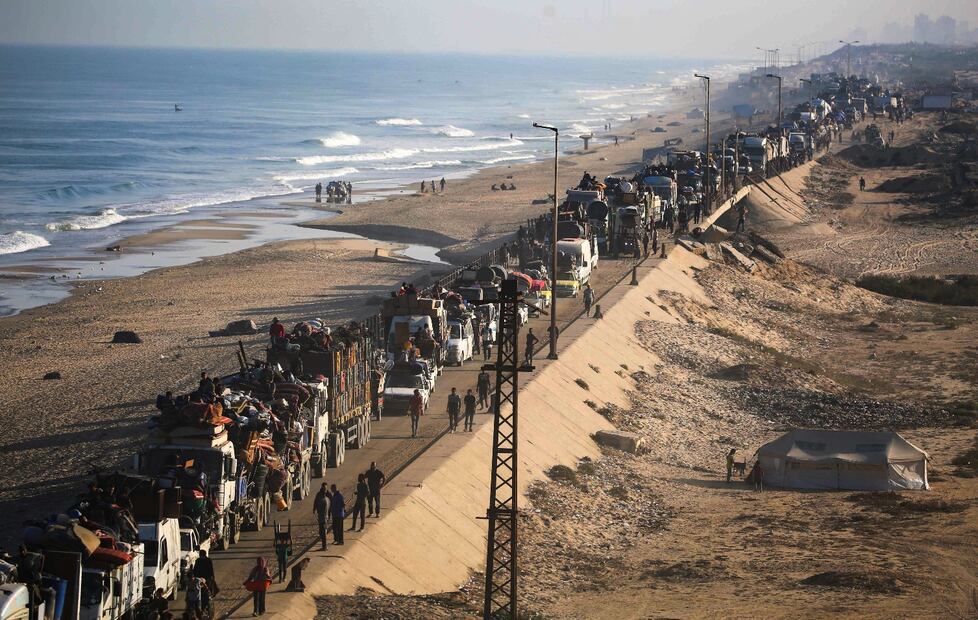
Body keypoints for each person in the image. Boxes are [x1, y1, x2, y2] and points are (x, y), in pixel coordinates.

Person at [313, 483, 330, 549]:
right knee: (322, 532)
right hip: (323, 518)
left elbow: (324, 510)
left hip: (323, 519)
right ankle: (324, 545)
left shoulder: (324, 500)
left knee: (323, 532)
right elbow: (316, 502)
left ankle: (324, 546)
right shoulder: (323, 497)